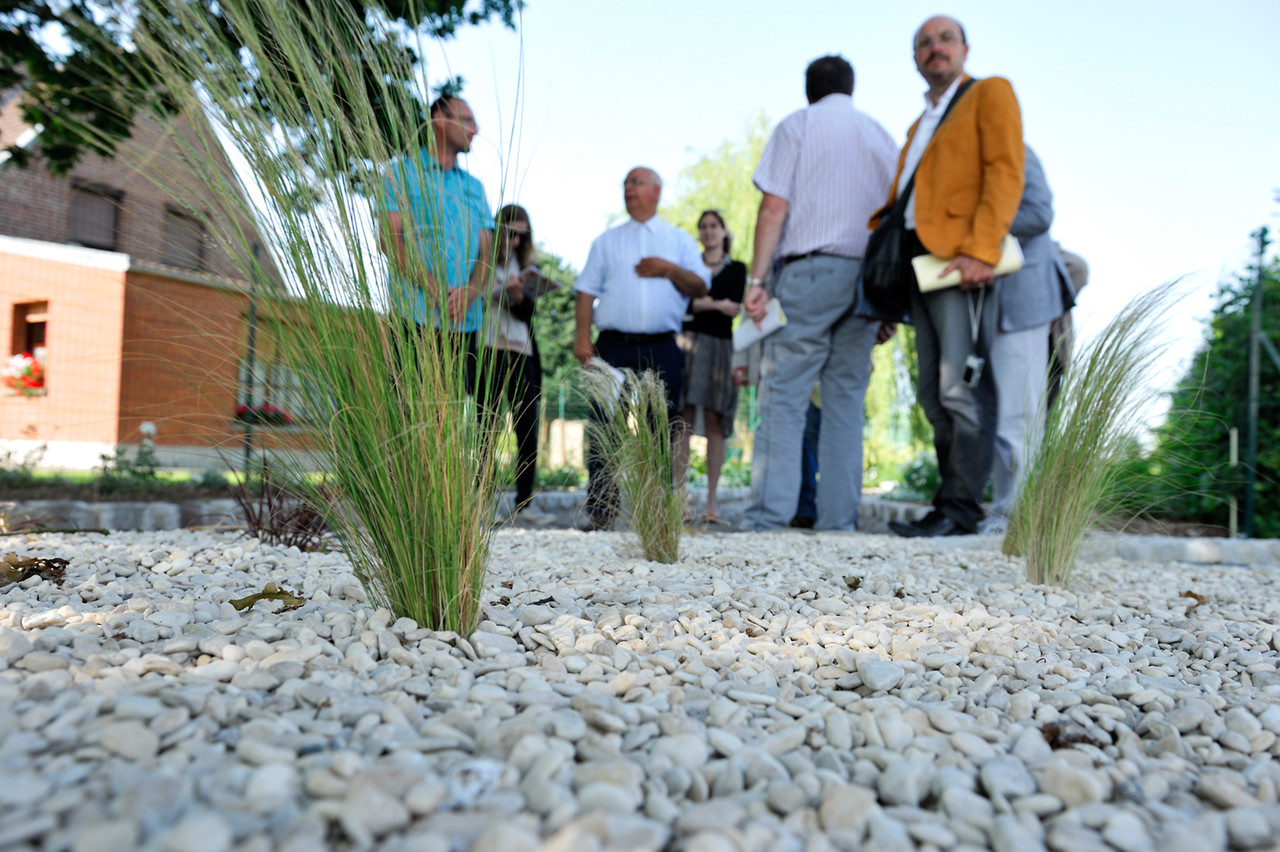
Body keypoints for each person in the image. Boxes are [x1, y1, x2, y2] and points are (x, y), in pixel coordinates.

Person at [872, 15, 1025, 538]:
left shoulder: (989, 94)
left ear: (965, 48)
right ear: (915, 59)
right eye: (923, 43)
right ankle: (950, 503)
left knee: (961, 388)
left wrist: (982, 250)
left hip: (960, 259)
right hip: (920, 265)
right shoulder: (920, 123)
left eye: (944, 39)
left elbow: (1005, 170)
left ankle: (961, 510)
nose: (934, 48)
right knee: (934, 395)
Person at [739, 55, 899, 532]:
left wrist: (757, 281)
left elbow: (773, 207)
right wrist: (889, 300)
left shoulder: (797, 126)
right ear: (851, 86)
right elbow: (896, 219)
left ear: (809, 89)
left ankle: (770, 518)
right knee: (846, 401)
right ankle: (838, 524)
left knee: (784, 394)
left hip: (810, 273)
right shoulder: (881, 136)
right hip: (869, 278)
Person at [573, 167, 710, 531]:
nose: (629, 189)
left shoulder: (677, 241)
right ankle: (601, 508)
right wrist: (582, 337)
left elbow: (699, 286)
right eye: (626, 184)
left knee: (661, 428)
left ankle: (657, 510)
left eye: (637, 182)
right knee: (604, 426)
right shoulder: (607, 241)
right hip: (613, 346)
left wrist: (668, 269)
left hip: (662, 346)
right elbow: (585, 290)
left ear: (657, 191)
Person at [378, 95, 493, 393]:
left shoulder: (475, 187)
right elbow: (390, 241)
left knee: (453, 420)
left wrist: (470, 290)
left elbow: (487, 251)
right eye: (467, 120)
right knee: (410, 414)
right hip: (413, 319)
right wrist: (435, 290)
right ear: (439, 120)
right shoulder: (400, 173)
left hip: (465, 325)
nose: (476, 129)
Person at [986, 147, 1076, 524]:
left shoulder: (1018, 153)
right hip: (991, 303)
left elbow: (1039, 214)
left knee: (1019, 416)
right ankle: (1006, 509)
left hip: (1023, 303)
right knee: (998, 417)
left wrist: (975, 229)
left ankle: (1020, 517)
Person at [477, 204, 549, 517]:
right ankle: (480, 502)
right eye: (510, 234)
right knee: (485, 427)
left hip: (522, 354)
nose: (516, 241)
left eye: (523, 235)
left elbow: (527, 314)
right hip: (488, 351)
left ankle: (524, 503)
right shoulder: (480, 263)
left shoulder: (524, 267)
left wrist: (519, 296)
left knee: (527, 429)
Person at [675, 210, 747, 523]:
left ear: (723, 231)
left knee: (716, 420)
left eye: (713, 226)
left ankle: (712, 501)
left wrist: (706, 303)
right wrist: (717, 303)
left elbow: (735, 307)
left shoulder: (739, 269)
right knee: (683, 420)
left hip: (720, 348)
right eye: (703, 226)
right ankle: (680, 498)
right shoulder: (688, 267)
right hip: (688, 345)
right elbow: (685, 303)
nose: (708, 231)